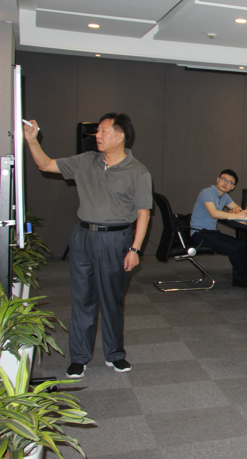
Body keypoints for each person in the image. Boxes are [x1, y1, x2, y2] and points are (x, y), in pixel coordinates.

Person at [23, 113, 152, 379]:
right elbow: (45, 165)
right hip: (83, 237)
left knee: (112, 300)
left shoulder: (138, 171)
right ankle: (79, 357)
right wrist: (32, 141)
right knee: (82, 298)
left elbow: (144, 214)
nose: (97, 135)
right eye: (98, 131)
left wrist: (135, 249)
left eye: (104, 131)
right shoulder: (85, 161)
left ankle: (114, 354)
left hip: (116, 239)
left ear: (120, 136)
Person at [190, 170, 247, 289]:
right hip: (199, 234)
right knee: (233, 249)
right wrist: (236, 215)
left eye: (230, 182)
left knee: (242, 245)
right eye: (224, 179)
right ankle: (245, 277)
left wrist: (237, 210)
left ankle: (238, 278)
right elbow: (214, 213)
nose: (225, 183)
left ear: (232, 187)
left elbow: (237, 208)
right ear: (217, 179)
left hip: (212, 232)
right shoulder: (207, 193)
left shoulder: (224, 196)